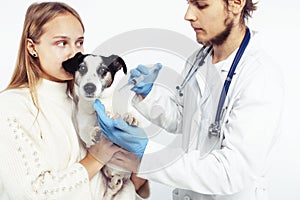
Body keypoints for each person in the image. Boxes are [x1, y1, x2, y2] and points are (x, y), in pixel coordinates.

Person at [93, 0, 285, 199]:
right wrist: (149, 95)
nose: (188, 15)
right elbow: (186, 120)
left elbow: (231, 173)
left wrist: (147, 151)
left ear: (236, 4)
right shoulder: (198, 60)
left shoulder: (260, 77)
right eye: (189, 3)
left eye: (201, 5)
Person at [0, 2, 149, 199]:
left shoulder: (86, 102)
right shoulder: (11, 105)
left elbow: (122, 188)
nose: (75, 53)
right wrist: (96, 158)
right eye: (62, 43)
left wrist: (138, 166)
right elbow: (29, 194)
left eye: (79, 42)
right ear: (31, 47)